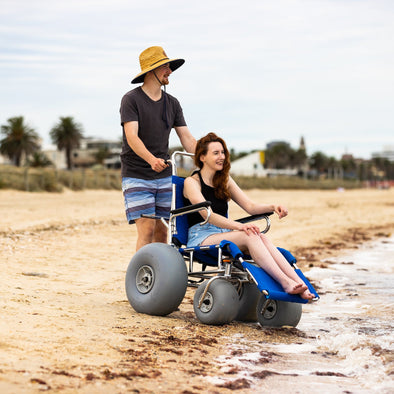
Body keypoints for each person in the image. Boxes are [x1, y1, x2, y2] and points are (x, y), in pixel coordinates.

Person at [183, 132, 314, 300]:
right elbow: (208, 215)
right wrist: (239, 226)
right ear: (202, 157)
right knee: (249, 234)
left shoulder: (225, 180)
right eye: (216, 153)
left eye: (223, 152)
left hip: (223, 232)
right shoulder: (191, 183)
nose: (221, 157)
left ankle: (298, 282)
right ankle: (285, 282)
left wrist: (273, 206)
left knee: (260, 236)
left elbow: (250, 207)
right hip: (201, 235)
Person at [120, 46, 196, 251]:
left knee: (163, 230)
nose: (170, 71)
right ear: (151, 70)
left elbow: (187, 137)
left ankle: (159, 277)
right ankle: (140, 278)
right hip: (137, 174)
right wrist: (151, 160)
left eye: (169, 66)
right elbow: (132, 136)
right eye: (165, 67)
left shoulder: (172, 103)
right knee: (147, 229)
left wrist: (206, 158)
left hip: (163, 175)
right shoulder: (131, 99)